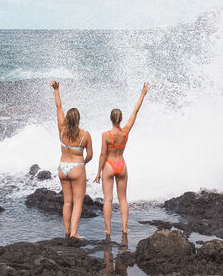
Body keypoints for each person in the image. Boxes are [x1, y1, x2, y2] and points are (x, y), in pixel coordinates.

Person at [94, 82, 150, 245]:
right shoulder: (125, 132)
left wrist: (98, 172)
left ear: (111, 119)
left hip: (109, 166)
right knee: (123, 199)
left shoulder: (106, 135)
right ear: (120, 119)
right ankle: (124, 228)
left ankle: (108, 230)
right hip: (122, 165)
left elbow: (103, 154)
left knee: (108, 200)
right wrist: (142, 94)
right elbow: (135, 112)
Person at [50, 80, 93, 239]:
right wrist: (82, 164)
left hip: (63, 168)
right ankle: (74, 232)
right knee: (78, 202)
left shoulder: (62, 129)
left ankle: (67, 231)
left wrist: (56, 90)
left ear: (68, 119)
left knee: (67, 202)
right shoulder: (85, 135)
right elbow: (90, 155)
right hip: (77, 167)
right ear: (79, 119)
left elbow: (59, 107)